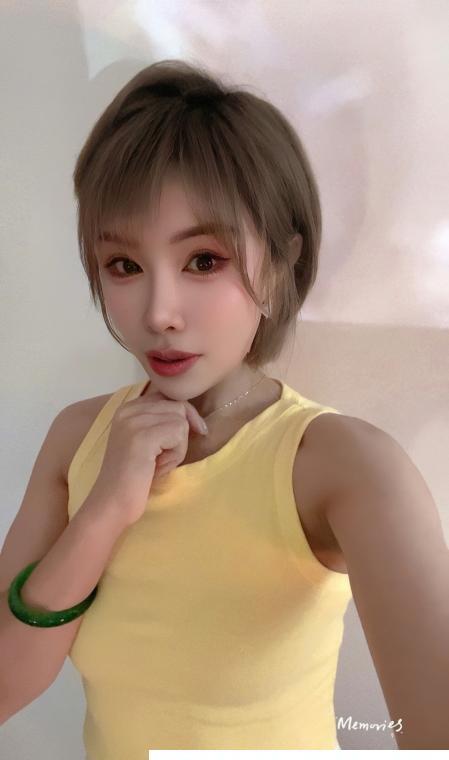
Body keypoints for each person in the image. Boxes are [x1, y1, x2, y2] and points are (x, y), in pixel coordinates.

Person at [2, 59, 447, 756]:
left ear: (281, 261)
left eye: (204, 260)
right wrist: (105, 510)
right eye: (124, 265)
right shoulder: (78, 438)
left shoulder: (343, 466)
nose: (159, 313)